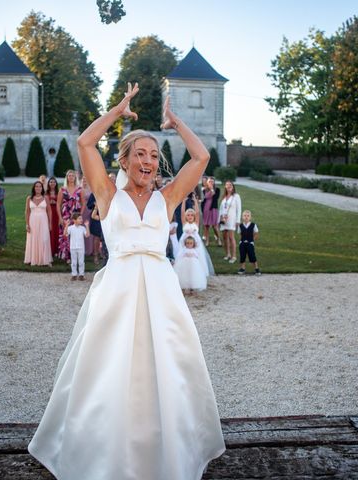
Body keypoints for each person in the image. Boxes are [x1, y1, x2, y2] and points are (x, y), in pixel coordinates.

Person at [28, 83, 225, 479]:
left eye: (154, 154)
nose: (148, 160)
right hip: (116, 291)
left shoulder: (167, 199)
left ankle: (168, 448)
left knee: (167, 369)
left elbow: (201, 156)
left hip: (161, 292)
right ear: (126, 159)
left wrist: (174, 123)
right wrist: (118, 112)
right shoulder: (106, 194)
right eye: (140, 153)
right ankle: (100, 451)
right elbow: (85, 143)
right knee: (106, 369)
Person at [179, 207, 214, 276]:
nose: (190, 216)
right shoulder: (185, 224)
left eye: (192, 215)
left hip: (196, 245)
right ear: (186, 217)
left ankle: (196, 273)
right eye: (188, 215)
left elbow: (197, 212)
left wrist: (195, 200)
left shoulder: (196, 223)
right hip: (185, 244)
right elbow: (182, 212)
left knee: (196, 258)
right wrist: (184, 201)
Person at [56, 169, 83, 261]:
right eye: (69, 176)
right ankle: (66, 256)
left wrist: (80, 216)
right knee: (65, 235)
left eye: (72, 176)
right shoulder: (62, 189)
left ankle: (75, 257)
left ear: (75, 177)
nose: (71, 177)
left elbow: (83, 203)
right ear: (67, 177)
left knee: (75, 236)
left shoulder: (79, 189)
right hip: (65, 216)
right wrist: (60, 217)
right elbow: (58, 204)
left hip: (75, 216)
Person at [24, 181, 53, 267]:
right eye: (36, 186)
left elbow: (49, 211)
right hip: (33, 221)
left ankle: (45, 259)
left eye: (40, 186)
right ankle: (32, 259)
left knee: (44, 239)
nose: (38, 188)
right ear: (34, 188)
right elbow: (27, 212)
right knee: (33, 238)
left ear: (42, 188)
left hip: (43, 220)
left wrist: (50, 223)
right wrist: (27, 224)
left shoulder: (46, 198)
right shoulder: (29, 198)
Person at [219, 180, 241, 263]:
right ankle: (227, 254)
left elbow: (239, 209)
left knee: (231, 237)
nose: (228, 186)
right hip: (224, 219)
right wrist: (220, 218)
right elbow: (221, 208)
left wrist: (238, 221)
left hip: (232, 219)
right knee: (224, 237)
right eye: (227, 185)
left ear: (233, 186)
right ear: (225, 186)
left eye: (230, 185)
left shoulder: (236, 196)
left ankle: (234, 256)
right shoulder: (224, 197)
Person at [64, 212, 90, 281]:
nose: (81, 220)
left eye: (81, 218)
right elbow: (65, 234)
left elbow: (87, 235)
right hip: (73, 247)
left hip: (81, 247)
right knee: (74, 262)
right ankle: (74, 274)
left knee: (81, 262)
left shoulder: (82, 228)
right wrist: (66, 225)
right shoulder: (70, 228)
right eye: (79, 219)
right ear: (74, 220)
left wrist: (87, 226)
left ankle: (81, 275)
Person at [237, 210, 261, 275]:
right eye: (244, 216)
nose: (246, 217)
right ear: (242, 217)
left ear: (250, 217)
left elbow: (256, 233)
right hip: (242, 243)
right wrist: (241, 241)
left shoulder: (253, 225)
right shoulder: (240, 225)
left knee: (252, 255)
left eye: (248, 216)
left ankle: (256, 268)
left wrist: (252, 240)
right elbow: (240, 233)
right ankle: (242, 268)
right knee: (242, 255)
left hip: (250, 243)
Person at [202, 176, 222, 247]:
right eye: (209, 181)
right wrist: (210, 190)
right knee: (206, 226)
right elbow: (206, 197)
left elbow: (216, 197)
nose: (211, 183)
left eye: (212, 181)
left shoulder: (217, 189)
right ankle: (207, 241)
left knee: (214, 226)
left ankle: (218, 239)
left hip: (213, 209)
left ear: (214, 182)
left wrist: (212, 190)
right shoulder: (204, 190)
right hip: (206, 209)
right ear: (207, 182)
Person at [80, 175, 94, 258]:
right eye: (83, 179)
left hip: (89, 211)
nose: (84, 181)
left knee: (88, 229)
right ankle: (81, 249)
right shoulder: (79, 188)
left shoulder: (91, 189)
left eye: (86, 179)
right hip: (81, 211)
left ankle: (89, 250)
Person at [46, 177, 60, 257]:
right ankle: (49, 250)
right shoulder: (45, 193)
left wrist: (55, 202)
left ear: (56, 184)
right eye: (51, 182)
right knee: (49, 231)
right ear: (48, 183)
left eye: (54, 182)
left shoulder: (58, 192)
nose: (52, 183)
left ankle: (56, 250)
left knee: (56, 230)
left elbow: (61, 204)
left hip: (56, 212)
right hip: (47, 213)